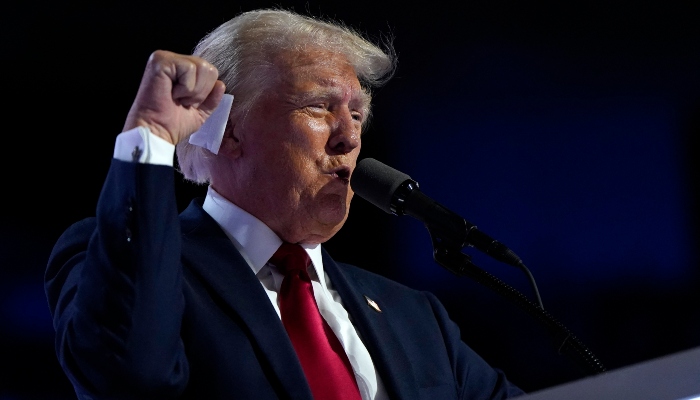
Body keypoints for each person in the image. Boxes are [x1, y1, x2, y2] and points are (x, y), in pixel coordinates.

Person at [45, 8, 526, 400]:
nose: (350, 137)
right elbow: (127, 378)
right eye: (319, 106)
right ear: (230, 130)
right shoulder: (118, 262)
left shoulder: (416, 317)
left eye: (357, 114)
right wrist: (150, 136)